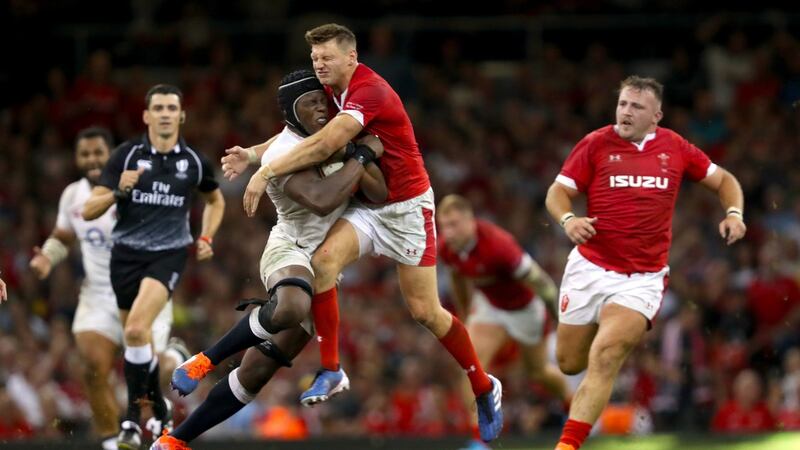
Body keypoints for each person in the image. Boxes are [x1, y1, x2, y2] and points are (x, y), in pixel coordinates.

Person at [226, 23, 503, 442]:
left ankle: (483, 385)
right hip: (368, 206)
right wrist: (252, 154)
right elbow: (297, 134)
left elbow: (325, 144)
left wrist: (265, 172)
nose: (320, 65)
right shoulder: (330, 91)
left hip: (407, 209)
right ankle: (332, 368)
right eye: (315, 58)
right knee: (322, 263)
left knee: (426, 312)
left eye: (327, 57)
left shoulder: (369, 91)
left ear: (351, 58)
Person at [151, 69, 388, 450]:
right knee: (292, 305)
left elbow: (378, 193)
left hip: (326, 263)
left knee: (257, 371)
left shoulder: (334, 135)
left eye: (322, 101)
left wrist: (353, 154)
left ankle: (174, 441)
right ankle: (205, 359)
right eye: (309, 103)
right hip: (289, 248)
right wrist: (361, 153)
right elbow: (323, 198)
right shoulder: (283, 153)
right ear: (292, 113)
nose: (320, 109)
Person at [545, 75, 746, 450]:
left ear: (656, 116)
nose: (626, 112)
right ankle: (606, 324)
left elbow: (725, 181)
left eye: (636, 106)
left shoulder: (675, 147)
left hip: (641, 278)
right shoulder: (595, 144)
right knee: (569, 362)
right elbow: (558, 192)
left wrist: (734, 213)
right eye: (622, 104)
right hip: (589, 268)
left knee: (605, 355)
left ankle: (567, 446)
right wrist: (568, 220)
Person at [83, 85, 225, 450]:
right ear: (146, 115)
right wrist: (117, 190)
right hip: (124, 257)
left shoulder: (193, 162)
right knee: (137, 341)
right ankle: (158, 409)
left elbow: (215, 200)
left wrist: (206, 236)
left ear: (181, 116)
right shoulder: (126, 156)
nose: (164, 114)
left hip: (168, 255)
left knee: (134, 330)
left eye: (171, 108)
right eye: (158, 108)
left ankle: (132, 418)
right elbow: (89, 210)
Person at [29, 127, 187, 450]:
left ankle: (173, 356)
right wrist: (47, 257)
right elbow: (63, 236)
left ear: (112, 154)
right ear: (76, 158)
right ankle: (110, 442)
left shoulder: (140, 186)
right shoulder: (73, 196)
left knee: (152, 376)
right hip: (98, 296)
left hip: (143, 291)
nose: (92, 160)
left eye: (98, 153)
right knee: (92, 367)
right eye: (84, 154)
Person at [436, 194, 570, 449]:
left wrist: (561, 322)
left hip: (524, 308)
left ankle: (570, 406)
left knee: (538, 372)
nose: (448, 233)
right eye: (444, 226)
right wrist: (465, 314)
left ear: (470, 221)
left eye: (454, 225)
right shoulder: (446, 247)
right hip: (490, 306)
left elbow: (542, 284)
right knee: (470, 367)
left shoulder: (499, 246)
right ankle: (479, 441)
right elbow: (457, 278)